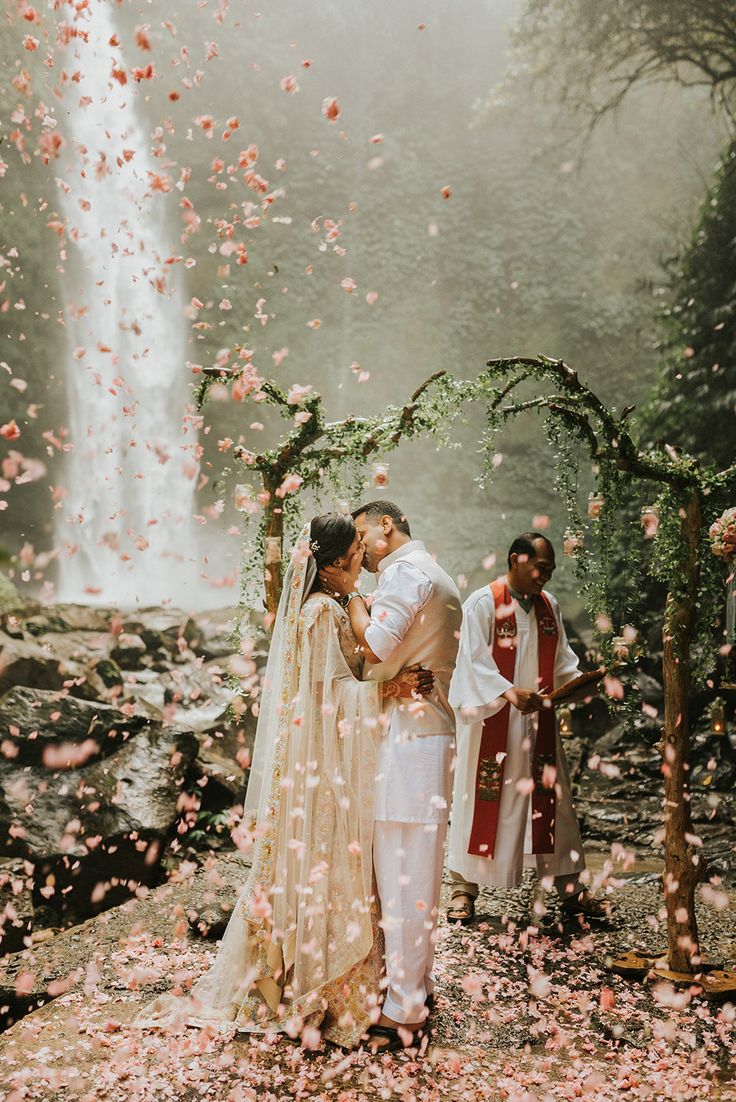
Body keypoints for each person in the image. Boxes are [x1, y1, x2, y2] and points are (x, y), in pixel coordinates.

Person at [138, 513, 433, 1048]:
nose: (366, 558)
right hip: (320, 765)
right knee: (323, 862)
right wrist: (388, 692)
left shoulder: (334, 606)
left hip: (327, 759)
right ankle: (312, 984)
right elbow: (323, 698)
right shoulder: (321, 613)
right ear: (337, 562)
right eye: (358, 551)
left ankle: (331, 976)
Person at [319, 501, 462, 1053]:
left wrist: (353, 597)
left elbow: (376, 645)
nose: (357, 552)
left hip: (410, 741)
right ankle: (415, 989)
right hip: (425, 736)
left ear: (386, 526)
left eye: (360, 536)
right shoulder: (434, 573)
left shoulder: (406, 570)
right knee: (414, 878)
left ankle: (405, 1010)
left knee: (404, 881)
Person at [446, 532, 609, 926]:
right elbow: (470, 663)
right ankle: (462, 890)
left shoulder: (548, 606)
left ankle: (571, 891)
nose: (545, 578)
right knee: (477, 804)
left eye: (550, 571)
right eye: (540, 568)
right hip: (494, 727)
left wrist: (585, 681)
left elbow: (562, 664)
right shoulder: (483, 604)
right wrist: (507, 693)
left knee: (556, 806)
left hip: (539, 729)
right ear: (514, 559)